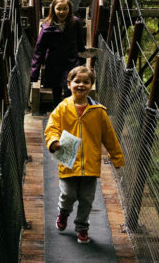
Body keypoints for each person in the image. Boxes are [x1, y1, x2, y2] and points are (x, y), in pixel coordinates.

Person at [45, 65, 125, 244]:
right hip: (68, 161)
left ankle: (82, 227)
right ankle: (63, 213)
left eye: (86, 82)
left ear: (91, 86)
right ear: (69, 84)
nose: (81, 85)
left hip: (90, 163)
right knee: (68, 195)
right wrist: (53, 142)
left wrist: (116, 157)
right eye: (77, 81)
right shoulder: (62, 108)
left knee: (87, 200)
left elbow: (109, 136)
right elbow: (52, 128)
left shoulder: (98, 111)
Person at [30, 0, 85, 106]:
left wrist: (82, 60)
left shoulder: (75, 23)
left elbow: (80, 42)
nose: (61, 12)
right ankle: (58, 114)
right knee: (56, 91)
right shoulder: (47, 27)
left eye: (65, 8)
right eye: (59, 8)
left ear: (69, 9)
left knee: (70, 89)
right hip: (54, 63)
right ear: (53, 9)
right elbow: (39, 50)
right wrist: (34, 73)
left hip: (71, 61)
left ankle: (69, 114)